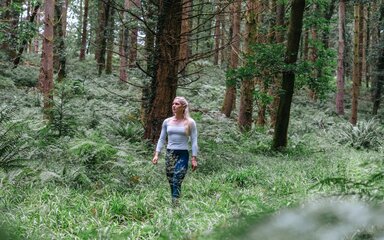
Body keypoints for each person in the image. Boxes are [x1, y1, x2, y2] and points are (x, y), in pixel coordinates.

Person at [152, 96, 198, 206]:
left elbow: (194, 141)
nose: (174, 106)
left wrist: (194, 158)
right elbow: (162, 138)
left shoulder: (190, 122)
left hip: (183, 154)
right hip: (170, 153)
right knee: (171, 178)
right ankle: (175, 200)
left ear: (183, 107)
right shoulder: (167, 122)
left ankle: (175, 203)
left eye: (177, 104)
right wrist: (156, 154)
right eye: (173, 103)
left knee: (178, 177)